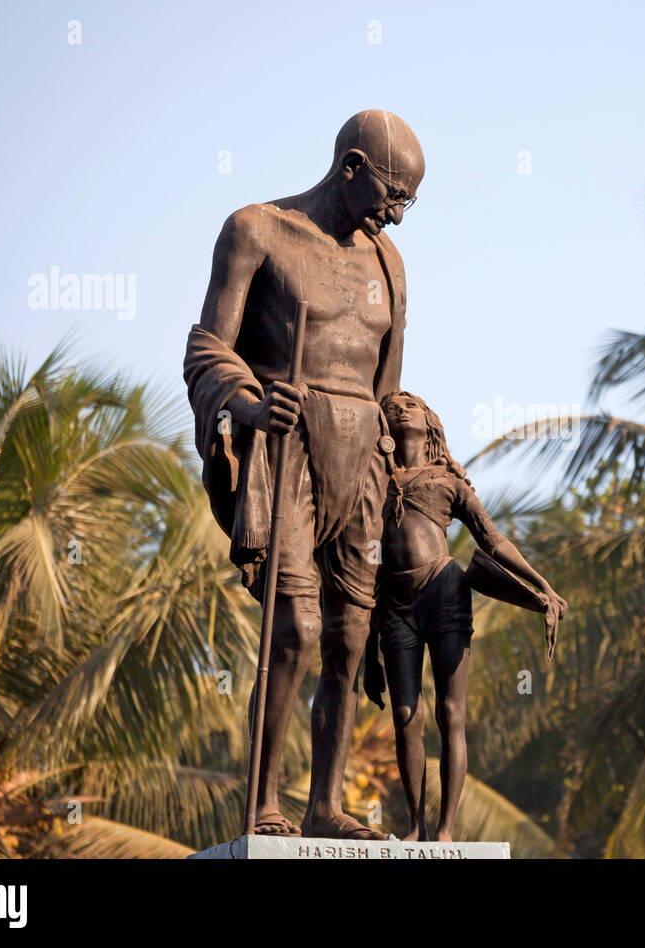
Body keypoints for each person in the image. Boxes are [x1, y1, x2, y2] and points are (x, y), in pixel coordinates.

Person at [183, 111, 423, 839]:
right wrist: (251, 406)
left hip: (363, 459)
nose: (397, 216)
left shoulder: (390, 264)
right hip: (287, 447)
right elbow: (205, 350)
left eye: (410, 203)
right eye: (392, 195)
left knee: (351, 638)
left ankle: (324, 804)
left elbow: (390, 388)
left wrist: (405, 468)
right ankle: (264, 802)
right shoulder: (257, 230)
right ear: (351, 167)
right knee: (295, 625)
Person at [364, 390, 568, 841]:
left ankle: (446, 829)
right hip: (395, 603)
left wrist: (542, 586)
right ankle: (415, 824)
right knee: (404, 714)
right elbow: (367, 565)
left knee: (450, 712)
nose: (399, 408)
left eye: (410, 404)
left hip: (445, 591)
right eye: (392, 405)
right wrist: (367, 655)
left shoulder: (447, 480)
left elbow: (492, 540)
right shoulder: (372, 480)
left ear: (430, 422)